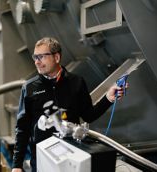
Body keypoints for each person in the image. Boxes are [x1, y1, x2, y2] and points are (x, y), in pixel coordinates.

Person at [11, 37, 126, 172]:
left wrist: (108, 98)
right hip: (42, 159)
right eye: (35, 57)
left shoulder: (76, 82)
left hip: (72, 159)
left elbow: (89, 115)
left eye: (41, 57)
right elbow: (22, 129)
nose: (37, 62)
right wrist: (17, 165)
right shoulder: (29, 87)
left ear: (57, 57)